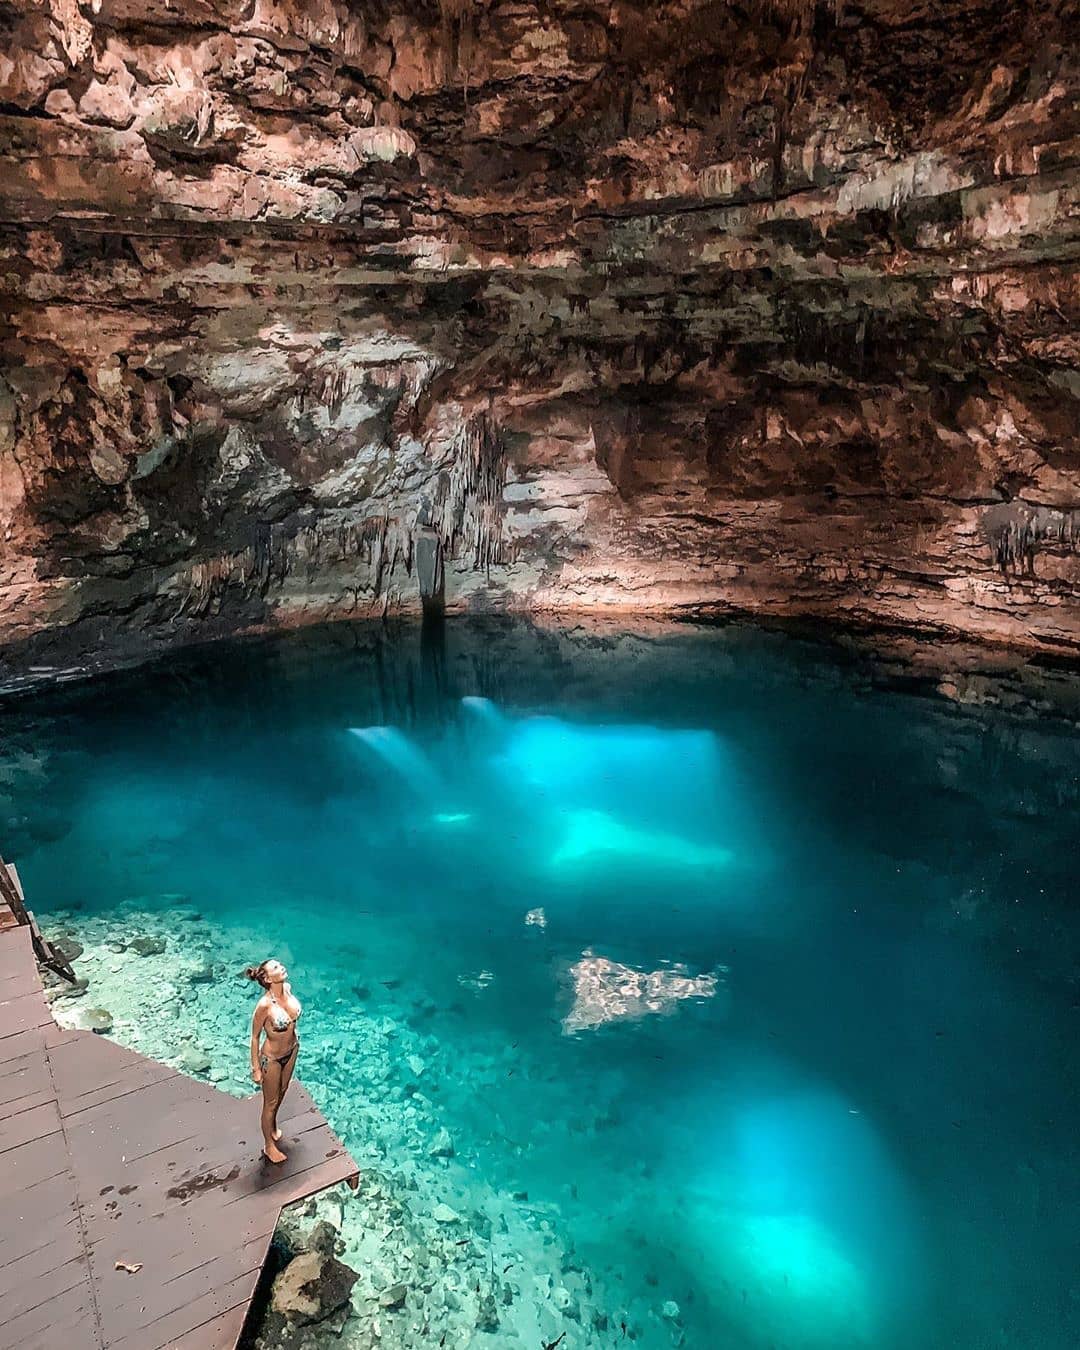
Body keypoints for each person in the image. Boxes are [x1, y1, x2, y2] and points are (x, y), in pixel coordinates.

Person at [246, 957, 302, 1164]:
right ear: (268, 979)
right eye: (276, 967)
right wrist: (255, 1068)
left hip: (292, 1050)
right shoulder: (263, 1006)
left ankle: (273, 1126)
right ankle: (269, 1146)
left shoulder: (287, 988)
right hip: (272, 1058)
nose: (282, 967)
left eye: (280, 964)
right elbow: (254, 1036)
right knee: (270, 1102)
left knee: (282, 1091)